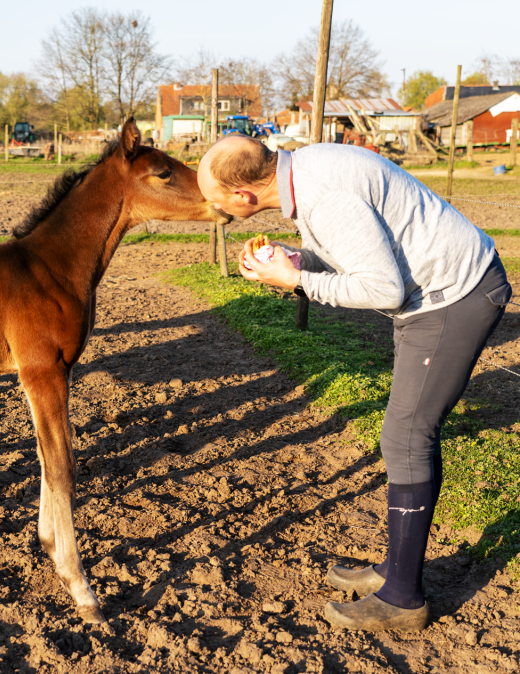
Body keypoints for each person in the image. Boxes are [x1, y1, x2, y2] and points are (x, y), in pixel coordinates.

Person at [197, 134, 512, 632]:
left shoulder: (324, 197)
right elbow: (358, 248)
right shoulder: (308, 168)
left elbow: (381, 286)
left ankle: (404, 600)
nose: (212, 209)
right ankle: (396, 569)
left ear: (242, 196)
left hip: (453, 297)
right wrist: (296, 260)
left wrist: (298, 282)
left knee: (406, 435)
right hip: (433, 295)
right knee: (408, 434)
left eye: (213, 199)